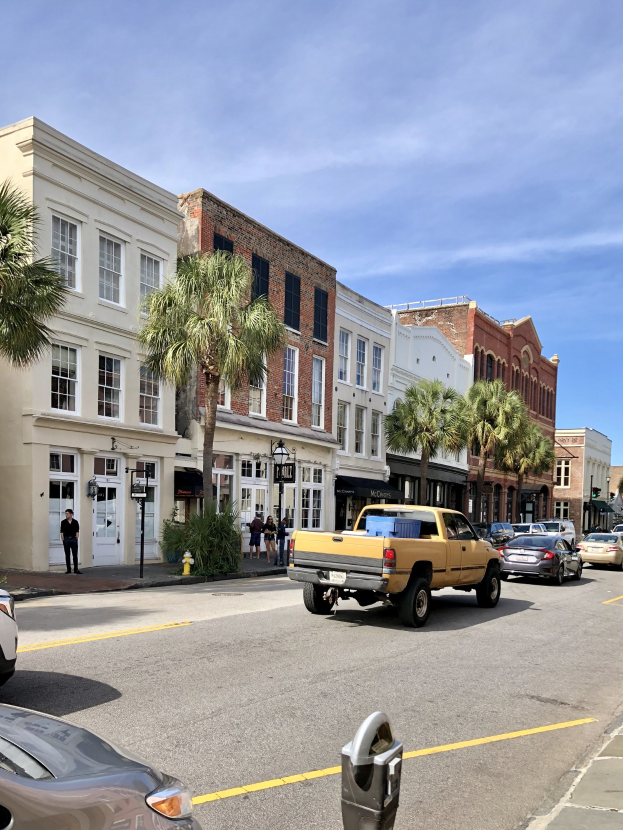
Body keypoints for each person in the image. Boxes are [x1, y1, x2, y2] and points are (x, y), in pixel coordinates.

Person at [60, 509, 81, 574]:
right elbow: (62, 532)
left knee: (75, 554)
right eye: (65, 514)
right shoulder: (63, 522)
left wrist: (77, 538)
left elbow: (77, 530)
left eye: (67, 514)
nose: (66, 515)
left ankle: (76, 569)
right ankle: (68, 569)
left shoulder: (75, 522)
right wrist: (63, 539)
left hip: (73, 539)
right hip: (66, 539)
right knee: (67, 554)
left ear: (71, 514)